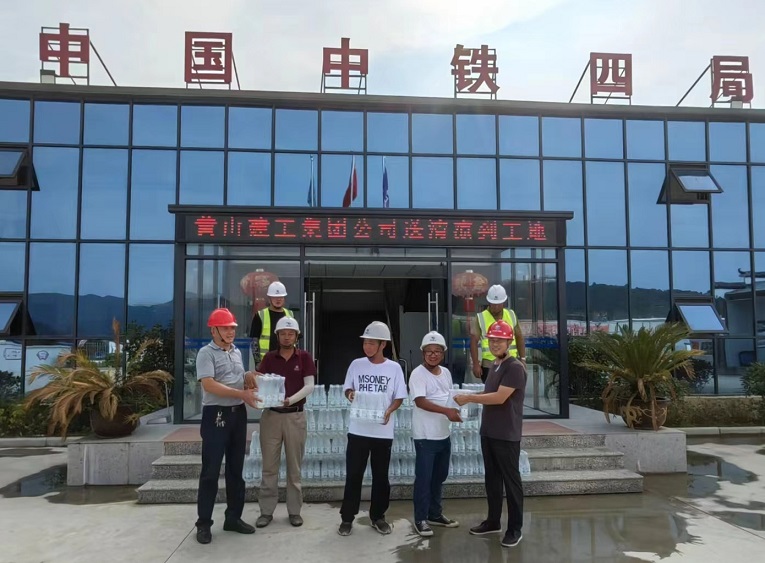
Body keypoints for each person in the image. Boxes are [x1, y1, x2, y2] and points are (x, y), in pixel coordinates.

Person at [455, 320, 527, 549]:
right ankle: (493, 521)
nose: (495, 344)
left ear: (509, 341)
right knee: (492, 480)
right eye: (492, 340)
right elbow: (490, 397)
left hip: (506, 434)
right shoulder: (495, 365)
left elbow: (499, 397)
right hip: (489, 432)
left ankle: (515, 529)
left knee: (511, 482)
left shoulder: (514, 367)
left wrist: (469, 398)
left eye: (500, 340)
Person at [195, 308, 259, 545]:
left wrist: (248, 377)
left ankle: (233, 518)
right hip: (216, 415)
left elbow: (235, 379)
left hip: (237, 415)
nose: (231, 332)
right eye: (225, 328)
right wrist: (242, 394)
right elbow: (209, 385)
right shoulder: (206, 353)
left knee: (235, 470)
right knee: (210, 472)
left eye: (232, 328)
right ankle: (204, 523)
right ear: (214, 330)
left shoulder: (236, 352)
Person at [338, 321, 407, 537]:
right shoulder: (356, 365)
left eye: (371, 343)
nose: (367, 347)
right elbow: (347, 388)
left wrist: (389, 411)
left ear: (382, 344)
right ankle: (347, 518)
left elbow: (399, 396)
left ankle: (378, 516)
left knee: (380, 476)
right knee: (354, 474)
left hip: (382, 431)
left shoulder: (394, 368)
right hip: (358, 429)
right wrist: (350, 394)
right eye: (365, 343)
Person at [254, 317, 316, 529]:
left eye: (290, 334)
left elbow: (309, 386)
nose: (287, 337)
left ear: (296, 336)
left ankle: (294, 512)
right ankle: (266, 512)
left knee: (294, 469)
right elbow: (259, 381)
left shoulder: (304, 357)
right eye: (283, 334)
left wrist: (290, 400)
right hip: (271, 416)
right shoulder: (269, 358)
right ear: (277, 336)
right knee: (269, 467)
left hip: (295, 416)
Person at [409, 331, 462, 537]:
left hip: (443, 434)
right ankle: (420, 518)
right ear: (423, 353)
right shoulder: (418, 374)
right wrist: (447, 411)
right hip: (425, 436)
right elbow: (420, 401)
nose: (433, 355)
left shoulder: (446, 373)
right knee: (424, 479)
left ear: (443, 353)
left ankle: (435, 514)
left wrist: (461, 408)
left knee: (439, 476)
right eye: (429, 351)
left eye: (437, 351)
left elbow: (450, 397)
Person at [470, 284, 525, 383]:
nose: (496, 307)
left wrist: (523, 359)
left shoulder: (511, 315)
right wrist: (475, 364)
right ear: (489, 302)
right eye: (493, 304)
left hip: (511, 362)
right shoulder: (480, 317)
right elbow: (473, 342)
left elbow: (519, 337)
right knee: (491, 391)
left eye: (498, 304)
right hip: (489, 365)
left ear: (503, 302)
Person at [250, 281, 293, 365]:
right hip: (266, 362)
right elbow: (254, 341)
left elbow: (295, 340)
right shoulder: (260, 315)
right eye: (275, 297)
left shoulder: (290, 315)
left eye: (281, 297)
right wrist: (258, 362)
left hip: (287, 361)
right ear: (269, 298)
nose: (278, 299)